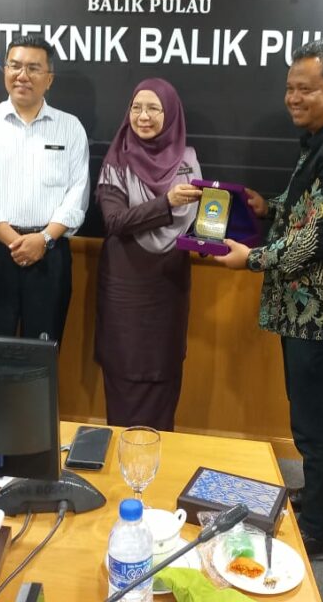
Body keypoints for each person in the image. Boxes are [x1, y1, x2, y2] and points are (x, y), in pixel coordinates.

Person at [214, 40, 323, 561]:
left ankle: (320, 530)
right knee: (313, 416)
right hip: (307, 307)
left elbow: (319, 238)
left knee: (315, 423)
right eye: (290, 88)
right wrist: (269, 208)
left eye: (305, 89)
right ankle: (320, 499)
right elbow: (312, 205)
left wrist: (252, 258)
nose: (293, 98)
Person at [0, 34, 89, 344]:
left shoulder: (70, 127)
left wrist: (43, 239)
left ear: (49, 78)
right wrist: (15, 241)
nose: (22, 75)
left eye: (33, 68)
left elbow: (78, 194)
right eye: (15, 66)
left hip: (49, 252)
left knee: (42, 352)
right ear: (5, 71)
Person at [94, 79, 203, 431]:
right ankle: (123, 457)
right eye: (137, 107)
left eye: (154, 108)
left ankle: (160, 456)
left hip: (168, 286)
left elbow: (198, 222)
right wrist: (166, 203)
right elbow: (115, 221)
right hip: (126, 287)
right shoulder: (116, 162)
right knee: (124, 370)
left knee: (164, 369)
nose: (143, 116)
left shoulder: (188, 160)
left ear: (170, 114)